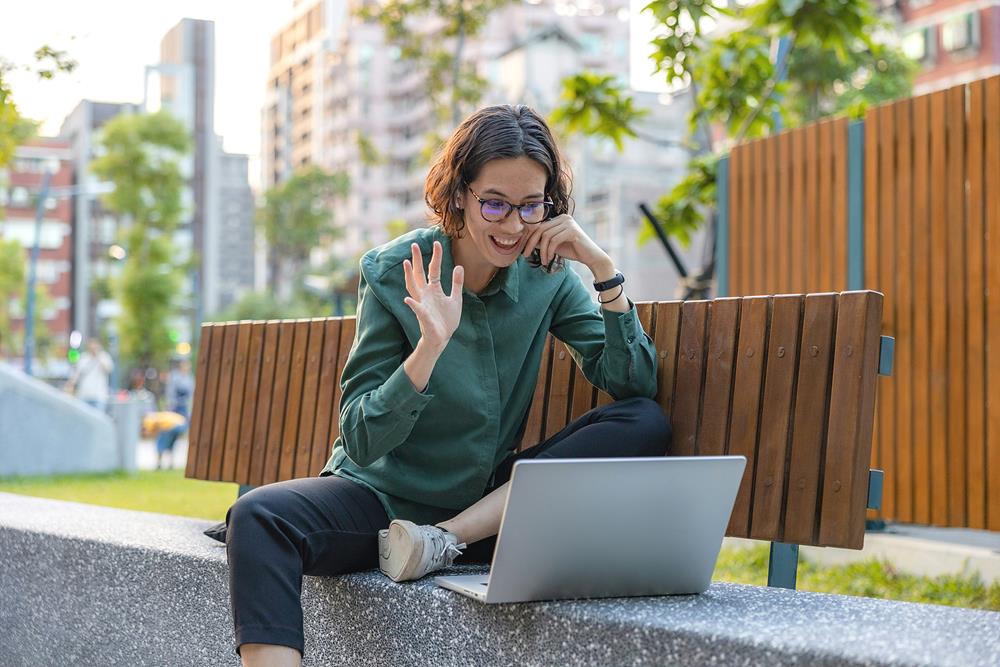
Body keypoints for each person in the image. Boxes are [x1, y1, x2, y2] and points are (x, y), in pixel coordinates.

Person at [221, 105, 672, 667]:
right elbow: (361, 439)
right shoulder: (395, 269)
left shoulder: (548, 274)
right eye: (495, 204)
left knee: (643, 422)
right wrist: (428, 349)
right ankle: (430, 540)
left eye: (532, 206)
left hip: (481, 513)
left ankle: (443, 539)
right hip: (382, 502)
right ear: (459, 193)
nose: (512, 226)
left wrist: (603, 269)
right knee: (259, 518)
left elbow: (634, 384)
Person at [155, 359, 194, 470]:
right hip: (173, 410)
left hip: (182, 411)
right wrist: (169, 409)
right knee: (165, 434)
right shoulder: (175, 377)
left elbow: (191, 396)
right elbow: (170, 394)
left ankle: (170, 461)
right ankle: (159, 460)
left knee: (175, 437)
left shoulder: (189, 378)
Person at [66, 338, 113, 413]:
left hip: (99, 396)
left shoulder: (104, 356)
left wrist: (97, 355)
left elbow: (107, 369)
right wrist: (70, 386)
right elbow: (76, 375)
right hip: (83, 395)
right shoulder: (83, 357)